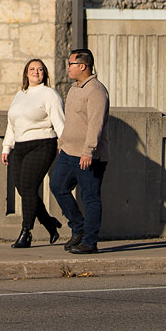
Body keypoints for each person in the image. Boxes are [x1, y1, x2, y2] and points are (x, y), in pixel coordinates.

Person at [49, 47, 110, 255]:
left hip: (88, 155)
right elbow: (71, 121)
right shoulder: (74, 88)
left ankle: (89, 242)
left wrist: (88, 151)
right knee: (58, 186)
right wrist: (62, 143)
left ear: (83, 66)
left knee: (90, 197)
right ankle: (78, 227)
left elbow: (95, 123)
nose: (68, 68)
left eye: (71, 64)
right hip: (68, 152)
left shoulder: (96, 91)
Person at [2, 58, 65, 247]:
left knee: (29, 187)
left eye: (40, 69)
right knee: (23, 189)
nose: (36, 72)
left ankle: (26, 232)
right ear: (26, 73)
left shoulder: (50, 94)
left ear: (45, 73)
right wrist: (7, 146)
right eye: (32, 69)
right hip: (20, 147)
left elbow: (60, 121)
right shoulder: (20, 94)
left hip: (42, 144)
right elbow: (12, 124)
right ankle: (49, 223)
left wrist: (65, 144)